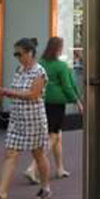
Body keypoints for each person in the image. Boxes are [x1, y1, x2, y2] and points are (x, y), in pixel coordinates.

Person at [0, 37, 52, 199]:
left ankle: (46, 188)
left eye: (19, 54)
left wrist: (7, 93)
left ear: (30, 53)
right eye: (15, 54)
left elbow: (33, 94)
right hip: (17, 119)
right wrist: (5, 93)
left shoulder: (39, 71)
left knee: (38, 154)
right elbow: (18, 91)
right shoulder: (19, 70)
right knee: (10, 154)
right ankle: (1, 194)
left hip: (34, 119)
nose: (17, 57)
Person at [23, 36, 82, 183]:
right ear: (58, 49)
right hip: (56, 103)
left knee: (57, 136)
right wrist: (77, 101)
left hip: (42, 101)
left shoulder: (40, 63)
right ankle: (32, 167)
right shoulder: (61, 66)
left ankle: (60, 168)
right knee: (53, 136)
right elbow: (67, 87)